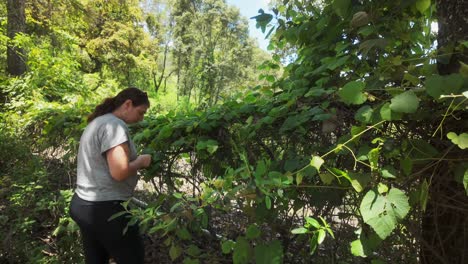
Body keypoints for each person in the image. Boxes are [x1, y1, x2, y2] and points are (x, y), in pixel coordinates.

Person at [70, 87, 151, 264]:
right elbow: (119, 172)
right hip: (106, 208)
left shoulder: (98, 122)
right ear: (127, 104)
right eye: (140, 112)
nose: (141, 119)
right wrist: (141, 161)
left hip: (84, 204)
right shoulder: (114, 125)